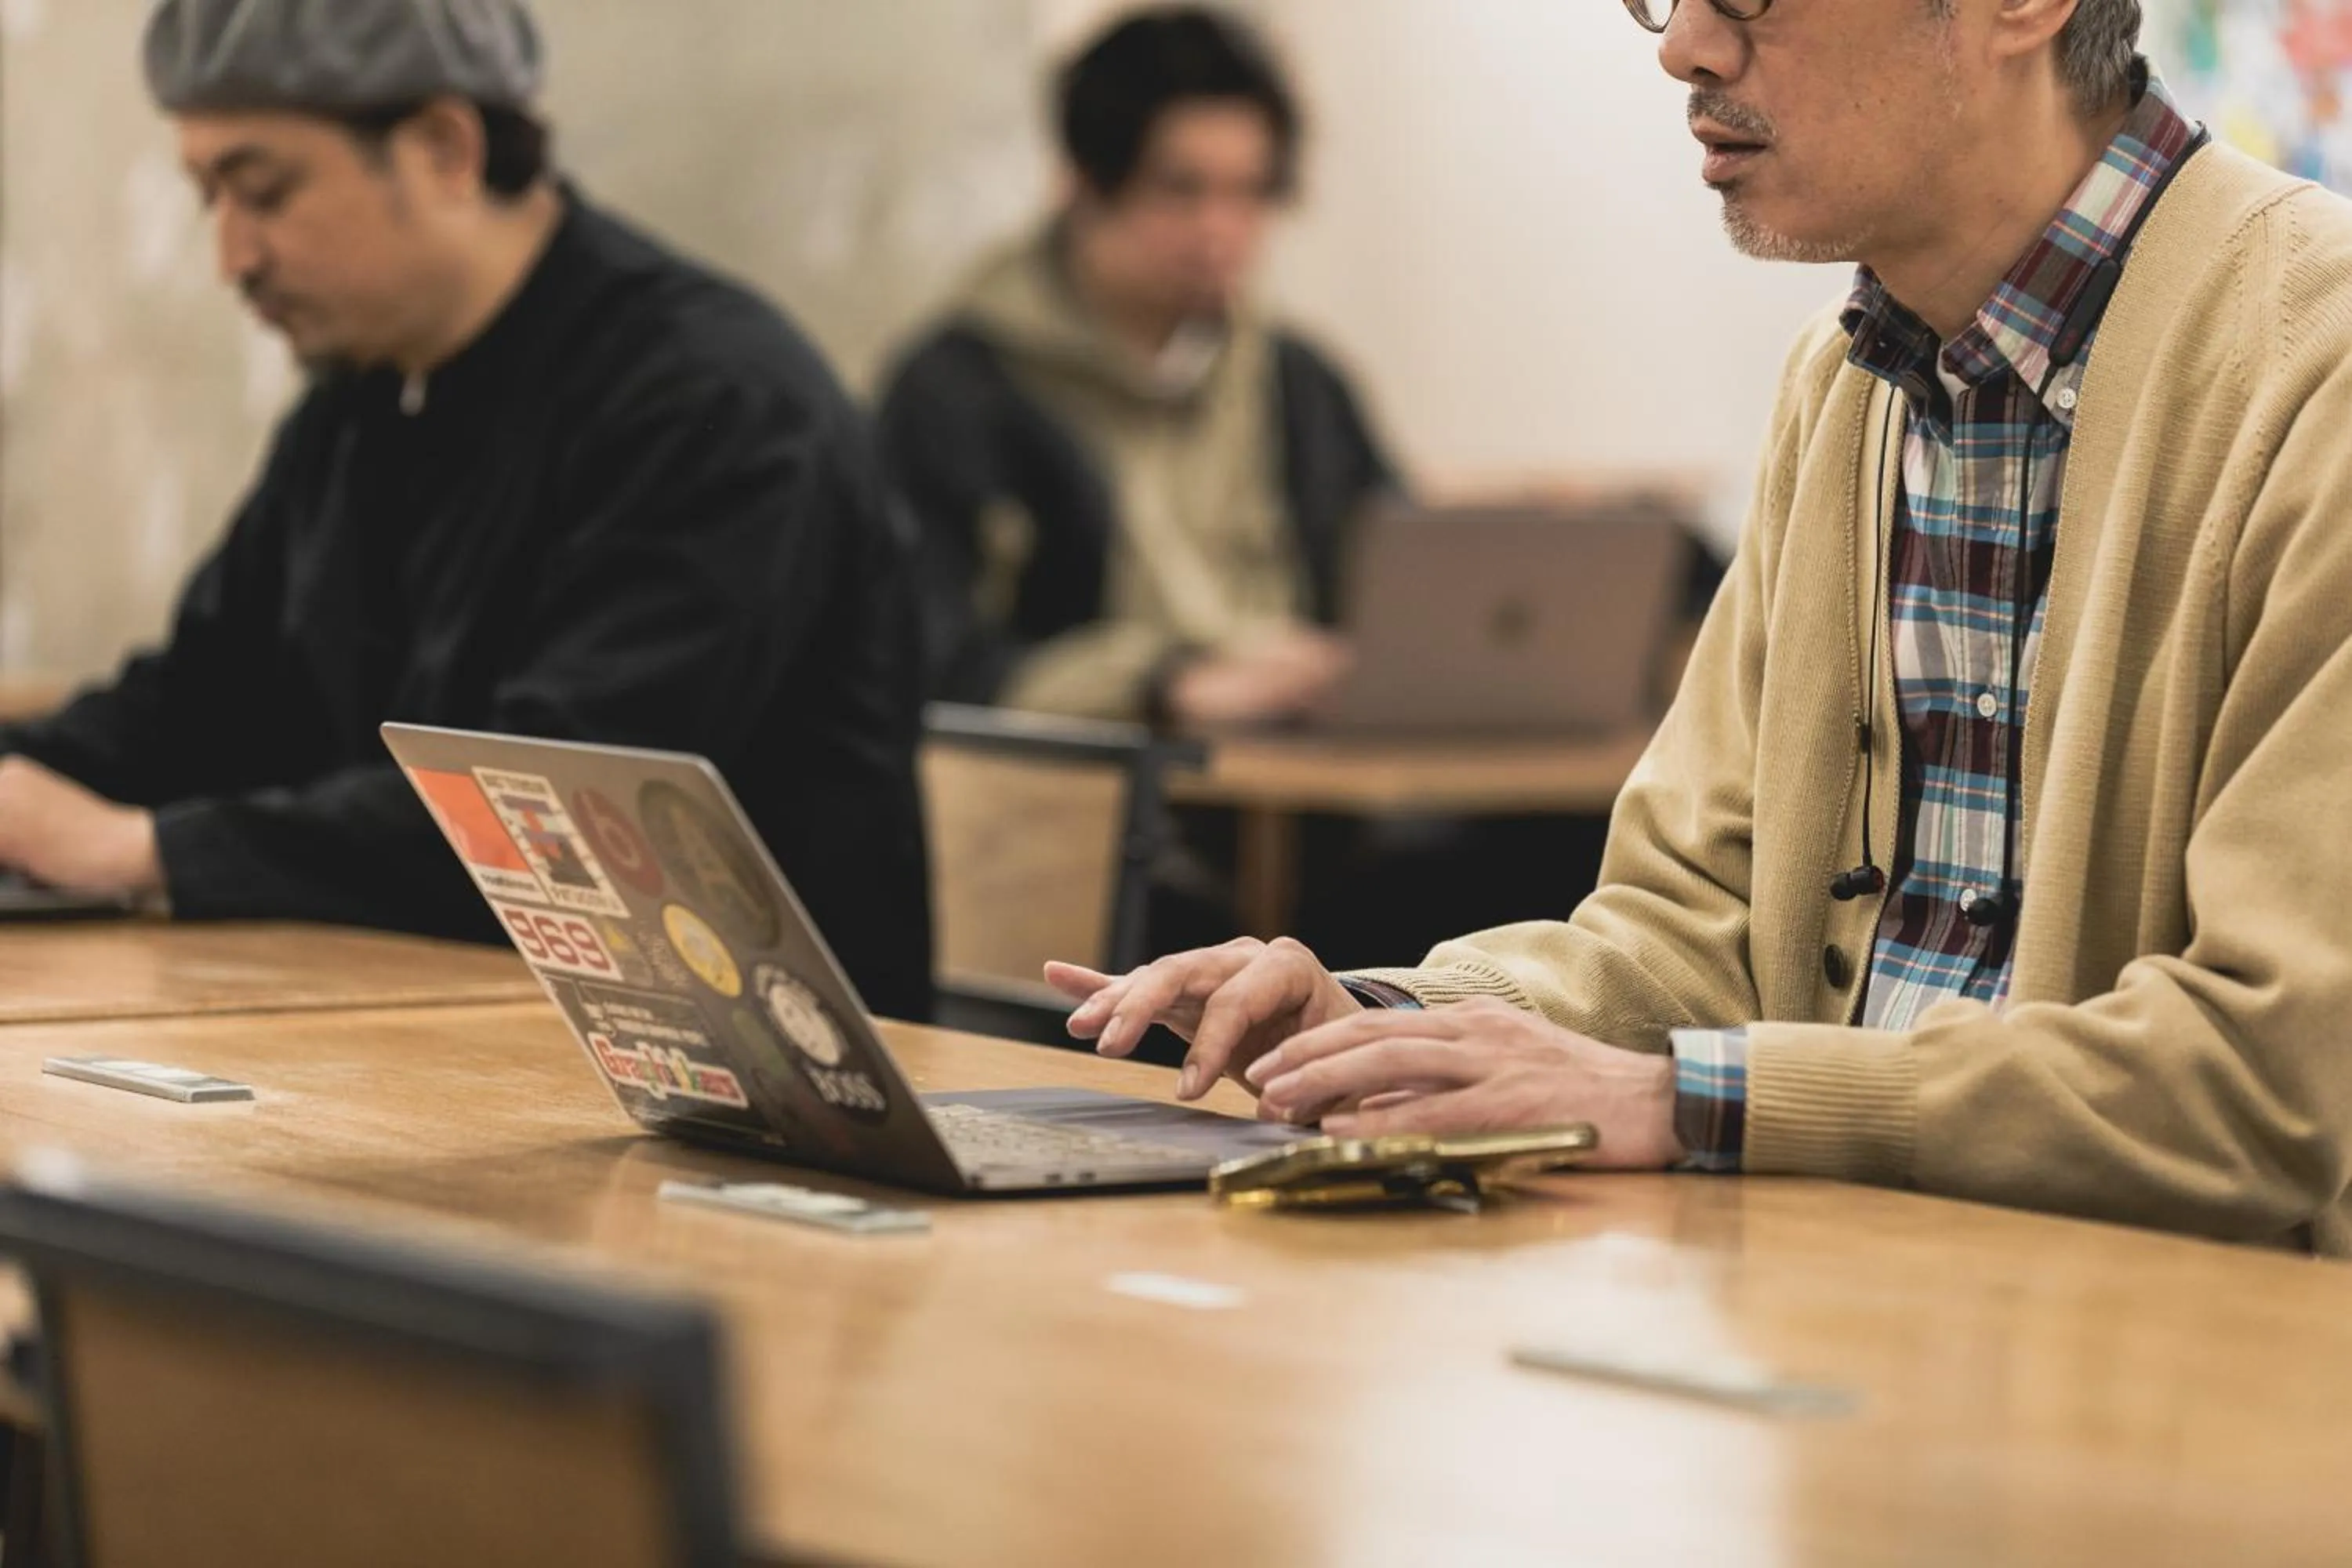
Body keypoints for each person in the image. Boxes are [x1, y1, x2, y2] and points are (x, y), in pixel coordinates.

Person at [1054, 0, 2352, 1249]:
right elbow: (1701, 926)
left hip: (2199, 1378)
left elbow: (2269, 1074)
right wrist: (1390, 1022)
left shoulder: (2315, 369)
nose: (1683, 48)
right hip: (1848, 1295)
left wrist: (1693, 1099)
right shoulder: (1844, 382)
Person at [0, 0, 933, 1021]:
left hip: (736, 1096)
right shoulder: (365, 399)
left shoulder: (717, 406)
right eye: (207, 199)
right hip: (398, 1034)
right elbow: (205, 699)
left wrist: (136, 851)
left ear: (446, 146)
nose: (232, 257)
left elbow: (563, 819)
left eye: (263, 192)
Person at [877, 5, 1397, 728]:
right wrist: (1166, 686)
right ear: (1083, 183)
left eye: (1249, 192)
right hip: (1092, 808)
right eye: (1183, 190)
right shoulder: (957, 392)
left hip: (1314, 792)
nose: (1220, 230)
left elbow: (1396, 595)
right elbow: (932, 657)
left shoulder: (1298, 382)